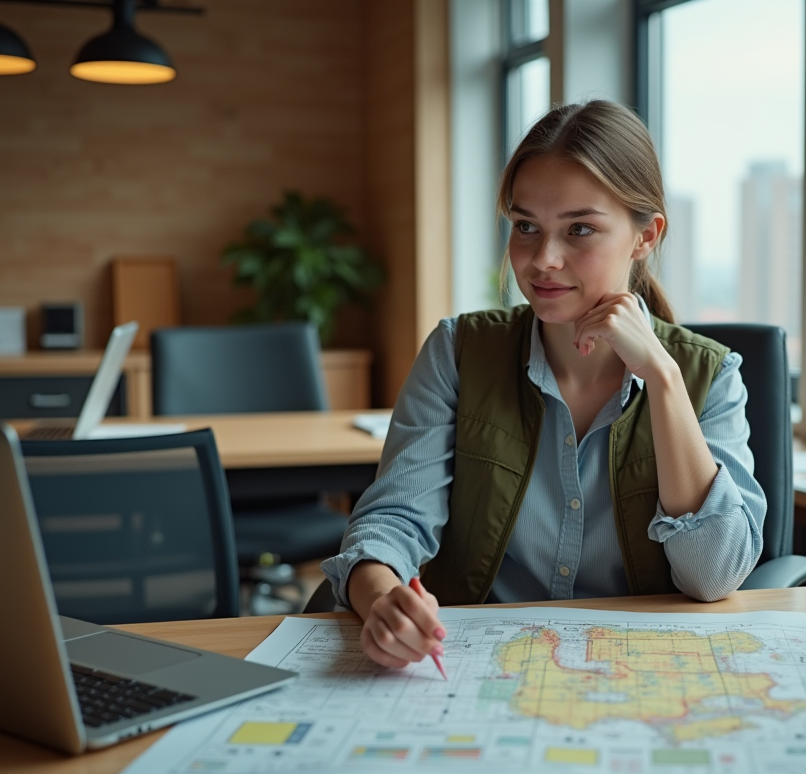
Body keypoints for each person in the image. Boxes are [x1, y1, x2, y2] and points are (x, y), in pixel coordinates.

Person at [321, 99, 766, 669]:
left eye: (580, 229)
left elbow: (713, 576)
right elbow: (393, 521)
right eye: (526, 226)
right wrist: (382, 598)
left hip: (636, 671)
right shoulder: (458, 352)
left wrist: (661, 377)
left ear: (645, 235)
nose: (542, 260)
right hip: (478, 668)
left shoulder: (709, 377)